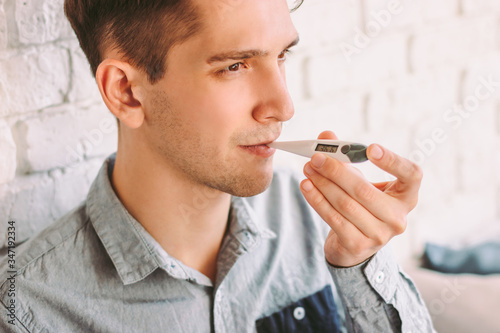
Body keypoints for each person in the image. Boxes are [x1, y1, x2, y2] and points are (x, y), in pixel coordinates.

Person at [0, 0, 435, 332]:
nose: (283, 106)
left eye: (282, 55)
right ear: (127, 92)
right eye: (235, 66)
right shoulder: (28, 309)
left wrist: (361, 266)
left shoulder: (322, 221)